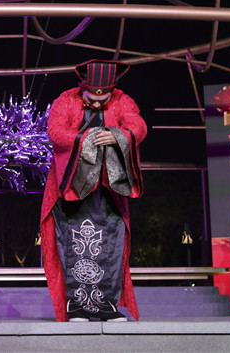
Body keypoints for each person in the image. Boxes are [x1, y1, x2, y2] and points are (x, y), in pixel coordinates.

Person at [40, 59, 145, 322]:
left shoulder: (122, 100)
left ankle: (106, 305)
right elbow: (55, 131)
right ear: (82, 86)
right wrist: (85, 139)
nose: (97, 104)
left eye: (103, 99)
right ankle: (76, 305)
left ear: (112, 90)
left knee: (111, 244)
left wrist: (118, 135)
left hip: (109, 187)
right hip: (72, 187)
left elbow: (138, 126)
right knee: (74, 245)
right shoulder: (66, 100)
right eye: (92, 98)